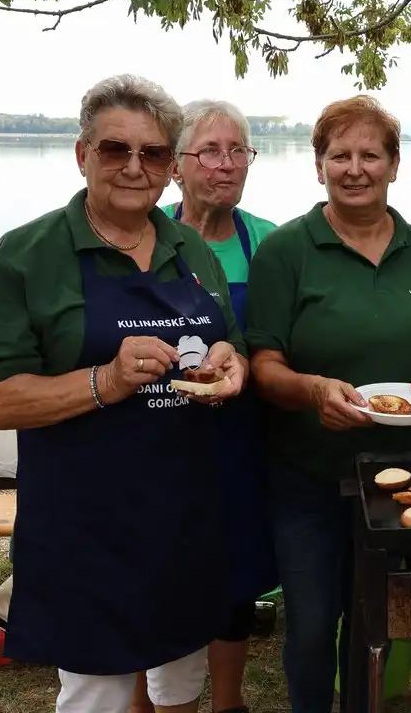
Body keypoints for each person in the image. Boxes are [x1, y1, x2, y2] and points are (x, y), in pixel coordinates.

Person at [0, 73, 248, 713]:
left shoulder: (189, 247)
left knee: (181, 682)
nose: (134, 166)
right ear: (82, 154)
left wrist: (231, 367)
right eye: (116, 149)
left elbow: (231, 346)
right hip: (84, 528)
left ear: (169, 166)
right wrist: (107, 380)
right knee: (98, 695)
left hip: (185, 516)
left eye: (153, 152)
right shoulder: (29, 254)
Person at [243, 94, 411, 713]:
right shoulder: (287, 251)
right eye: (339, 155)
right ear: (318, 166)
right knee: (312, 626)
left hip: (404, 479)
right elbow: (263, 366)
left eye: (370, 155)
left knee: (375, 624)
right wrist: (313, 390)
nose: (354, 169)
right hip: (309, 477)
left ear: (394, 165)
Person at [129, 100, 279, 713]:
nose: (226, 164)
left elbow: (280, 342)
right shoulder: (145, 234)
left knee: (235, 574)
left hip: (241, 441)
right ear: (176, 166)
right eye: (210, 151)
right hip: (158, 441)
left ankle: (228, 702)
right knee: (151, 572)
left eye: (238, 150)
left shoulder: (268, 243)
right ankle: (141, 699)